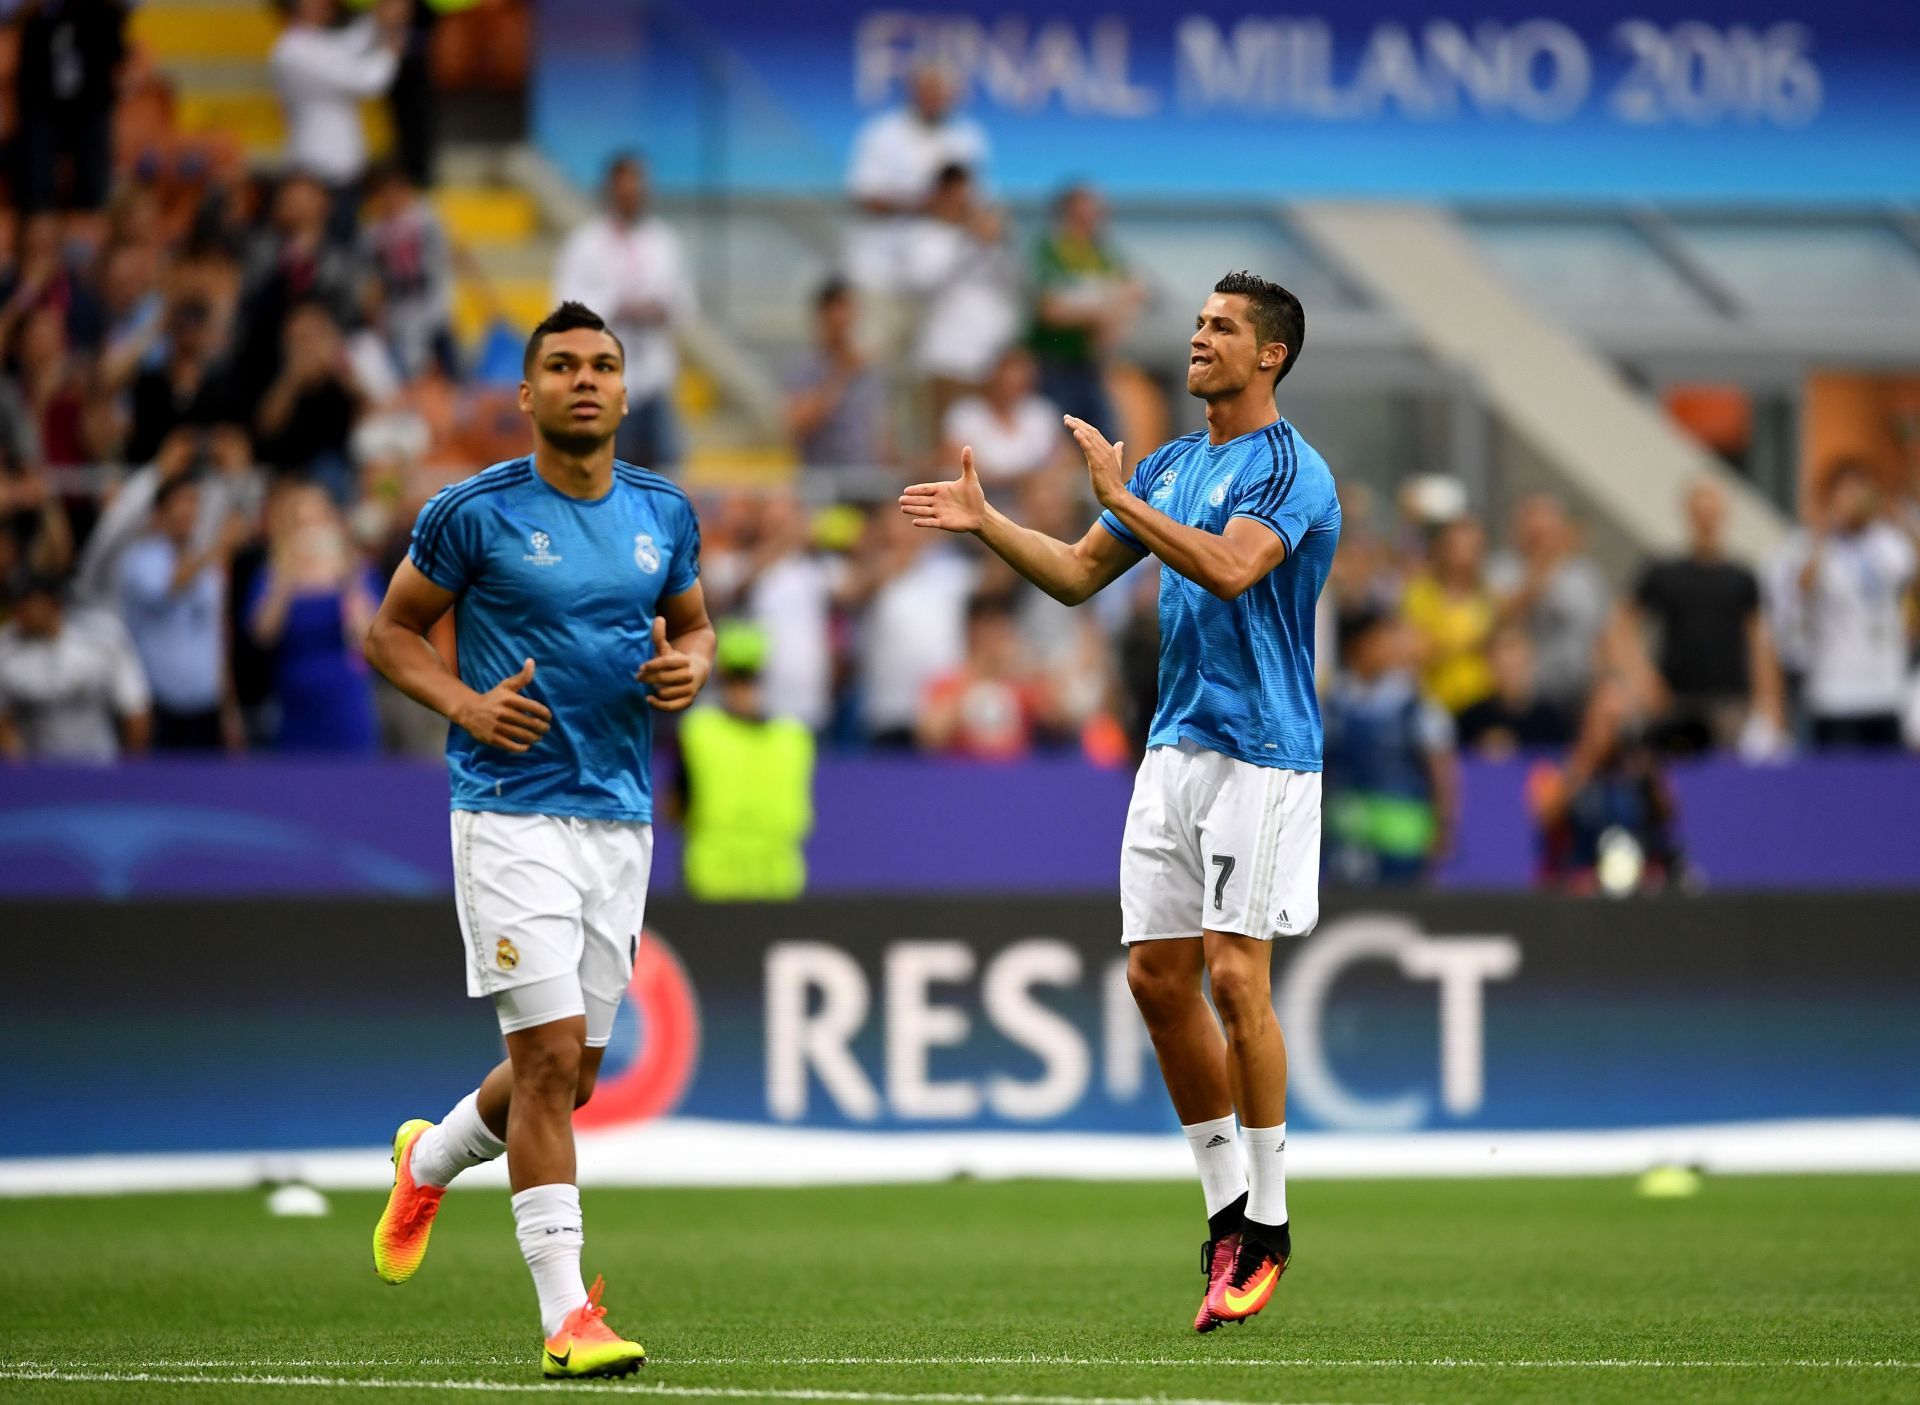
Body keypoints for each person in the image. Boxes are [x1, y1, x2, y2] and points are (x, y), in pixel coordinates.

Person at [902, 270, 1339, 1331]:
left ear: (1270, 354)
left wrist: (1123, 499)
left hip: (1264, 754)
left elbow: (1235, 572)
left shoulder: (1294, 469)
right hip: (1175, 748)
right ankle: (1226, 1209)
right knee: (1156, 977)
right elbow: (1076, 573)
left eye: (1223, 327)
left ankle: (1271, 1229)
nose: (1199, 338)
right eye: (1197, 322)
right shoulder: (1177, 463)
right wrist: (987, 521)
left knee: (1238, 976)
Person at [363, 301, 713, 1379]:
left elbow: (693, 626)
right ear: (526, 394)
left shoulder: (664, 510)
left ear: (622, 387)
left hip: (619, 814)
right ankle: (569, 1316)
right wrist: (465, 707)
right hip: (509, 811)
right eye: (561, 365)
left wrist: (692, 667)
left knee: (575, 1074)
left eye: (603, 365)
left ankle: (430, 1156)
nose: (585, 380)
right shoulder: (473, 512)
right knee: (551, 1061)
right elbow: (389, 632)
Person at [552, 154, 694, 471]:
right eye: (624, 186)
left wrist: (659, 309)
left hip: (655, 375)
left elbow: (684, 303)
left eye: (637, 186)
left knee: (667, 471)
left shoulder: (663, 242)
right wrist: (616, 307)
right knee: (611, 471)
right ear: (610, 190)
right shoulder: (585, 244)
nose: (631, 194)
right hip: (607, 380)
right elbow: (564, 306)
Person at [1627, 478, 1786, 755]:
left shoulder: (1741, 577)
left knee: (1727, 779)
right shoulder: (1664, 571)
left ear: (1724, 515)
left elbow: (1760, 642)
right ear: (1688, 513)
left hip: (1729, 702)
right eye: (1699, 511)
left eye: (1711, 511)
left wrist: (1770, 702)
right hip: (1674, 700)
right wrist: (1643, 677)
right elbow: (1622, 626)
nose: (1706, 519)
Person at [676, 622, 814, 900]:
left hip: (712, 878)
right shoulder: (795, 738)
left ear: (721, 672)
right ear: (764, 672)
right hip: (779, 879)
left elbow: (675, 806)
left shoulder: (699, 731)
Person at [1322, 607, 1458, 884]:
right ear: (1358, 646)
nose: (1389, 649)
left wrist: (1444, 824)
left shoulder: (1413, 701)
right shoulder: (1333, 700)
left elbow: (1439, 765)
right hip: (1347, 833)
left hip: (1403, 837)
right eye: (1380, 640)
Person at [114, 473, 248, 750]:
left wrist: (230, 708)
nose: (189, 511)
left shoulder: (209, 567)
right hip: (158, 708)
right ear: (160, 513)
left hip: (207, 708)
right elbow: (168, 588)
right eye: (181, 502)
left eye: (194, 502)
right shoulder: (140, 560)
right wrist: (218, 547)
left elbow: (215, 635)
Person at [247, 484, 380, 750]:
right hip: (292, 701)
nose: (310, 532)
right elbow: (263, 635)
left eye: (317, 520)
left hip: (344, 695)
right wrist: (286, 576)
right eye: (301, 523)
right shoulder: (272, 574)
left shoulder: (355, 572)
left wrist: (347, 578)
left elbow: (369, 636)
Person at [844, 62, 990, 298]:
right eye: (927, 91)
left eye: (941, 92)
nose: (934, 99)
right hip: (880, 270)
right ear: (912, 91)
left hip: (941, 275)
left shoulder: (968, 137)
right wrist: (923, 206)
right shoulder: (881, 133)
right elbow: (864, 197)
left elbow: (977, 201)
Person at [270, 0, 406, 236]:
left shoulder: (313, 42)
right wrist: (390, 50)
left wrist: (380, 17)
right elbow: (368, 81)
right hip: (318, 174)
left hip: (341, 174)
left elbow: (350, 44)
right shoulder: (292, 50)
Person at [1026, 183, 1143, 429]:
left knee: (1105, 435)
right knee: (1058, 435)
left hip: (1092, 365)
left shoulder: (1103, 254)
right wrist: (1097, 313)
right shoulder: (1050, 251)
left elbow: (1132, 293)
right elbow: (1049, 310)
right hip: (1054, 363)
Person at [0, 571, 150, 761]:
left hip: (99, 766)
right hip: (37, 772)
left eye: (27, 604)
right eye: (15, 606)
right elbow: (4, 721)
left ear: (53, 604)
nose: (19, 614)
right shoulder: (5, 648)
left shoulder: (101, 639)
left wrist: (131, 769)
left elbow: (134, 709)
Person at [1489, 493, 1611, 715]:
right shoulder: (1501, 568)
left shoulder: (1585, 573)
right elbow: (1501, 618)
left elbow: (1602, 633)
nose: (1542, 535)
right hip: (1524, 699)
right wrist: (1540, 565)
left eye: (1548, 527)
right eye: (1534, 529)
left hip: (1578, 692)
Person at [917, 593, 1051, 760]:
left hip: (1014, 777)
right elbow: (930, 737)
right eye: (988, 628)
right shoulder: (948, 681)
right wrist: (973, 677)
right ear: (972, 631)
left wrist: (1030, 671)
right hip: (965, 776)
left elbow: (1056, 719)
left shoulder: (1020, 681)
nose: (995, 637)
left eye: (1001, 629)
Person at [783, 278, 887, 482]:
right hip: (825, 484)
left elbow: (879, 435)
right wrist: (841, 375)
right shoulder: (805, 371)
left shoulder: (870, 372)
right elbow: (796, 425)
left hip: (868, 482)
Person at [1400, 515, 1496, 716]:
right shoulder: (1420, 592)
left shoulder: (1488, 596)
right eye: (1458, 546)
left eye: (1473, 548)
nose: (1465, 555)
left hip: (1480, 702)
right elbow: (1417, 650)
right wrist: (1470, 642)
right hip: (1432, 703)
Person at [940, 346, 1070, 489]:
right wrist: (1019, 480)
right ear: (992, 379)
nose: (1010, 388)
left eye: (1019, 382)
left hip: (1037, 495)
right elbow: (956, 466)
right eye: (1006, 381)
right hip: (984, 495)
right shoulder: (966, 413)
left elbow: (1067, 458)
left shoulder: (1041, 412)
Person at [1455, 624, 1572, 758]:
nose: (1508, 666)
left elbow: (1559, 766)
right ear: (1488, 664)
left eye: (1516, 662)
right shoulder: (1470, 719)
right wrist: (1480, 750)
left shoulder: (1552, 719)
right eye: (1499, 660)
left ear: (1530, 659)